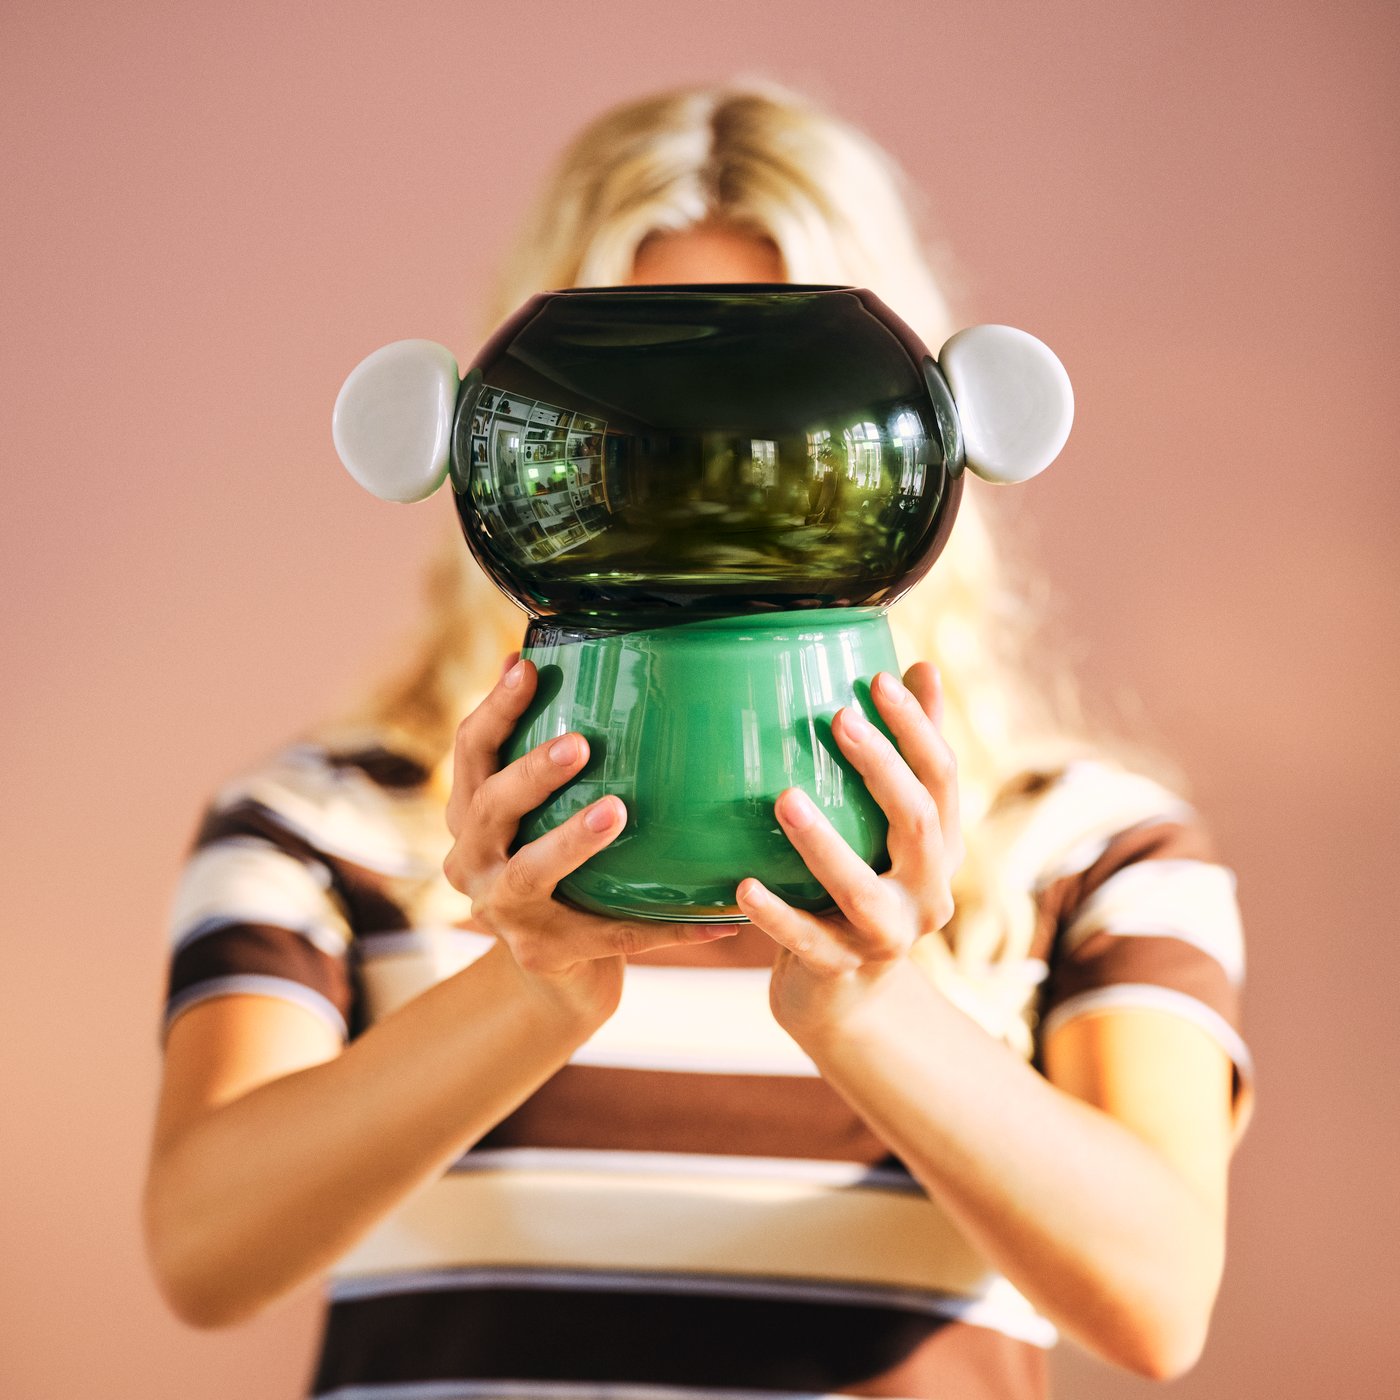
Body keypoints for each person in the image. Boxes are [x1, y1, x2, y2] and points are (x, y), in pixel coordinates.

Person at [142, 78, 1254, 1400]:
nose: (713, 513)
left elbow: (1160, 1303)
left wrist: (871, 1003)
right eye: (648, 441)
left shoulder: (1083, 846)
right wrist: (527, 985)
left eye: (780, 431)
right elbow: (203, 1253)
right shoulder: (323, 829)